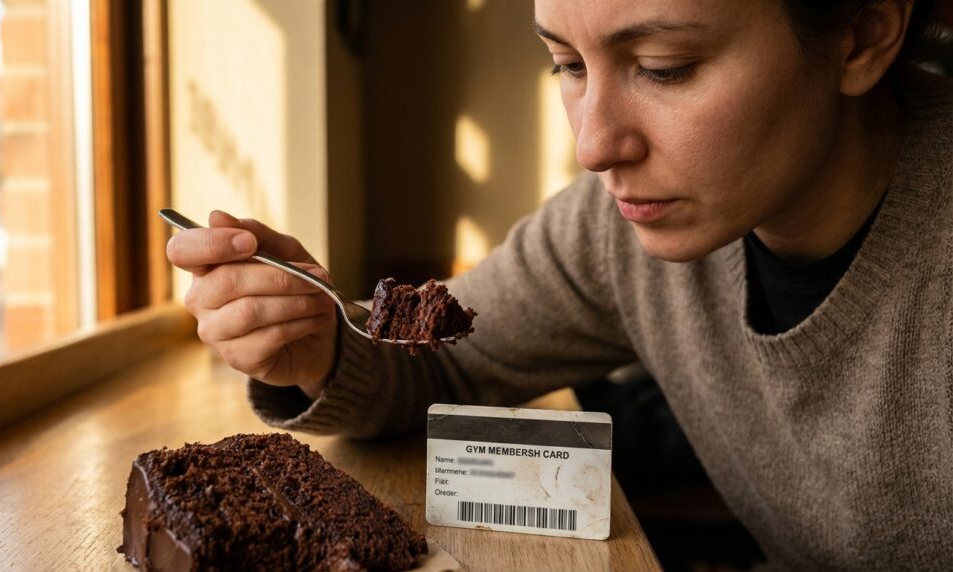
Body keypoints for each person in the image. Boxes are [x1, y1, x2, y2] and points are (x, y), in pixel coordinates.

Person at [166, 1, 952, 570]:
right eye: (568, 66)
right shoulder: (613, 234)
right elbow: (445, 364)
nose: (594, 144)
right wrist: (322, 346)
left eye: (663, 68)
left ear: (862, 33)